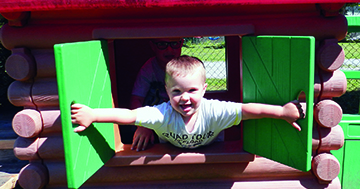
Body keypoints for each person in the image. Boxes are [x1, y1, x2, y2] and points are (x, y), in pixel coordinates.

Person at [71, 55, 304, 149]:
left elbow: (247, 110)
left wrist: (282, 112)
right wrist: (93, 115)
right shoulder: (162, 113)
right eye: (176, 91)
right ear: (167, 91)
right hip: (170, 150)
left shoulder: (214, 110)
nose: (184, 97)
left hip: (211, 149)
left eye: (192, 90)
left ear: (204, 89)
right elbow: (128, 115)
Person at [129, 38, 184, 151]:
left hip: (178, 116)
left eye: (174, 43)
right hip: (152, 118)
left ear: (181, 44)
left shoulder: (185, 67)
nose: (169, 49)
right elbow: (136, 99)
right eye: (162, 44)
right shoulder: (149, 69)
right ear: (153, 46)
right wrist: (143, 124)